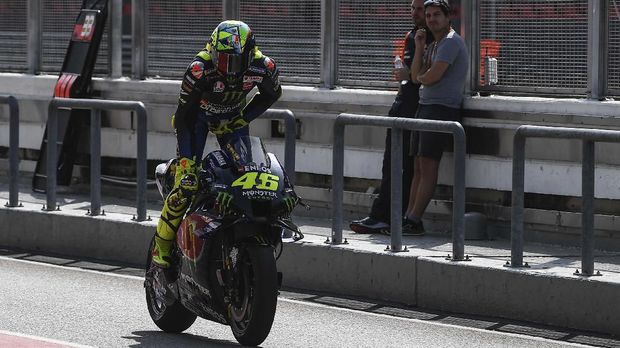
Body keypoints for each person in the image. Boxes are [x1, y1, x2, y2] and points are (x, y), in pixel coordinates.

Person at [152, 20, 282, 268]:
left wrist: (242, 118)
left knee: (249, 176)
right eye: (221, 60)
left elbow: (272, 94)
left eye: (233, 60)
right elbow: (183, 117)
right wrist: (187, 162)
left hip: (232, 119)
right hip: (196, 120)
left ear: (250, 52)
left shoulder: (263, 66)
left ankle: (238, 232)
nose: (228, 68)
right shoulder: (198, 69)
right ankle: (163, 243)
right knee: (187, 184)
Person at [350, 0, 432, 235]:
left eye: (421, 10)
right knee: (393, 165)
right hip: (404, 103)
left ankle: (389, 217)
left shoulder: (435, 38)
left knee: (404, 166)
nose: (416, 14)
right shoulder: (413, 35)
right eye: (413, 9)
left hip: (417, 107)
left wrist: (410, 75)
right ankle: (386, 215)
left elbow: (422, 74)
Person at [403, 0, 468, 235]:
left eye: (436, 15)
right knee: (418, 166)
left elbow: (432, 76)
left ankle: (414, 217)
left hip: (441, 108)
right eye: (428, 15)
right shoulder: (433, 44)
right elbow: (415, 75)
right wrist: (419, 47)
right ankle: (409, 216)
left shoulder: (450, 42)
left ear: (447, 17)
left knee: (428, 165)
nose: (430, 19)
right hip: (425, 105)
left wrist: (421, 76)